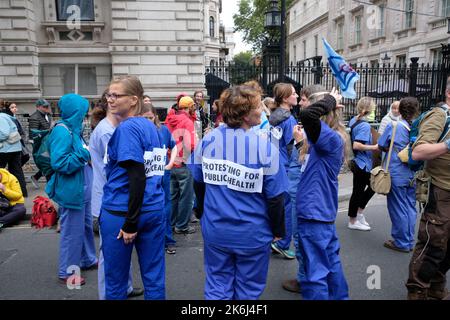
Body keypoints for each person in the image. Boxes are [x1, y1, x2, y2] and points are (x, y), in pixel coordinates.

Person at [188, 83, 287, 299]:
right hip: (252, 233)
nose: (262, 110)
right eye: (258, 106)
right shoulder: (265, 148)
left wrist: (202, 212)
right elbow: (276, 197)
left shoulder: (208, 141)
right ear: (245, 114)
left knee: (217, 285)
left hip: (216, 229)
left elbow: (198, 182)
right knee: (248, 290)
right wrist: (279, 229)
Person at [100, 76, 166, 300]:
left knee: (116, 283)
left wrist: (130, 223)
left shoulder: (127, 129)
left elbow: (137, 176)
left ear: (133, 100)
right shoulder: (150, 126)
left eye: (116, 95)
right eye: (109, 94)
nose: (110, 100)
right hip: (153, 209)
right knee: (154, 278)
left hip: (123, 213)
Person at [295, 88, 350, 300]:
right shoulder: (326, 139)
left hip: (314, 213)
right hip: (320, 211)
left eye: (311, 104)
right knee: (330, 262)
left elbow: (308, 116)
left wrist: (329, 100)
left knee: (314, 272)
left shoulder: (330, 138)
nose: (303, 107)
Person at [89, 95, 143, 299]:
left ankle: (125, 287)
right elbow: (117, 171)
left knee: (121, 248)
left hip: (114, 198)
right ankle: (108, 293)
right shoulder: (106, 132)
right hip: (108, 199)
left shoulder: (114, 130)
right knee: (109, 255)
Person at [45, 93, 97, 286]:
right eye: (83, 110)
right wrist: (85, 154)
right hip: (72, 190)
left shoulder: (74, 129)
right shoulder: (62, 130)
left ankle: (87, 259)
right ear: (75, 111)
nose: (87, 114)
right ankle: (67, 272)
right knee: (71, 233)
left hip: (81, 189)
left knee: (84, 227)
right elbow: (59, 162)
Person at [405, 77, 450, 300]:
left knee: (447, 246)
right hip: (441, 190)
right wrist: (448, 144)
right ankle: (417, 290)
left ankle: (435, 286)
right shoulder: (440, 115)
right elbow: (418, 152)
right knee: (434, 242)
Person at [281, 84, 327, 294]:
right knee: (303, 236)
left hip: (304, 194)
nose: (300, 102)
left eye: (304, 99)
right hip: (299, 191)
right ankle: (309, 276)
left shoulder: (318, 133)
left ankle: (306, 280)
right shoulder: (312, 129)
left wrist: (300, 145)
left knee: (302, 237)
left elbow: (310, 167)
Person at [377, 97, 419, 253]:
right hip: (412, 172)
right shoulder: (417, 127)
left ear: (400, 110)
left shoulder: (394, 125)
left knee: (397, 207)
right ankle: (409, 239)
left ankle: (401, 242)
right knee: (410, 207)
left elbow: (381, 144)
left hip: (396, 171)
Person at [142, 103, 178, 254]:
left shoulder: (163, 130)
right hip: (144, 177)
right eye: (145, 118)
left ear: (155, 117)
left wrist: (170, 163)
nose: (148, 121)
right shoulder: (138, 132)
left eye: (150, 118)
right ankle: (150, 241)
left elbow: (174, 145)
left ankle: (168, 239)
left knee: (165, 206)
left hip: (162, 174)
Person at [268, 83, 298, 260]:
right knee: (287, 206)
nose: (297, 95)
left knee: (277, 204)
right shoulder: (289, 119)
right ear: (285, 98)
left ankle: (275, 238)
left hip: (273, 163)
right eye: (294, 94)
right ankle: (282, 243)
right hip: (285, 166)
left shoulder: (273, 116)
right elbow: (291, 147)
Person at [165, 96, 197, 234]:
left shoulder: (169, 120)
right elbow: (191, 144)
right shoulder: (187, 121)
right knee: (186, 197)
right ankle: (182, 226)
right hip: (184, 163)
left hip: (171, 162)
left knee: (172, 196)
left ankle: (171, 224)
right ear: (189, 107)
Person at [347, 97, 379, 231]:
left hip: (358, 163)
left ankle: (356, 216)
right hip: (362, 164)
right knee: (374, 186)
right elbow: (357, 145)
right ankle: (355, 218)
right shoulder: (364, 125)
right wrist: (375, 147)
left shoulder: (354, 119)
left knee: (360, 190)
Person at [0, 106, 27, 199]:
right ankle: (22, 192)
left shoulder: (1, 117)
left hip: (5, 149)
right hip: (15, 148)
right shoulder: (8, 117)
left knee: (2, 171)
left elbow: (4, 134)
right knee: (17, 171)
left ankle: (3, 193)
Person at [29, 99, 53, 187]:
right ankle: (49, 184)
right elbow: (34, 134)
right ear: (38, 107)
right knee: (46, 163)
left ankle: (36, 177)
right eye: (45, 106)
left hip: (47, 142)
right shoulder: (34, 117)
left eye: (47, 106)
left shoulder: (47, 115)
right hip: (40, 145)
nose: (47, 108)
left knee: (48, 163)